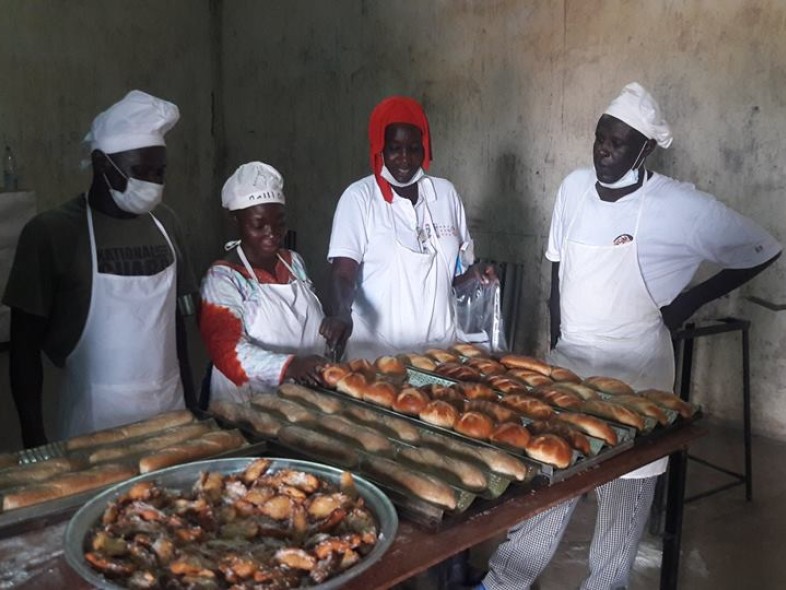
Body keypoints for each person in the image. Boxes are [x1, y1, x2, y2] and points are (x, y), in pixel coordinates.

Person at [481, 82, 781, 590]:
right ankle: (503, 583)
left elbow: (761, 247)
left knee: (623, 501)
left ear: (644, 149)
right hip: (570, 371)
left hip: (638, 379)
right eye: (600, 137)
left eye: (617, 142)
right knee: (548, 490)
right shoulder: (573, 187)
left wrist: (687, 303)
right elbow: (556, 266)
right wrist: (559, 341)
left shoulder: (674, 204)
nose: (603, 149)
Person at [3, 90, 198, 447]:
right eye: (141, 171)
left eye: (160, 172)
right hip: (95, 417)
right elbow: (23, 347)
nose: (153, 183)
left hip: (170, 409)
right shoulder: (53, 233)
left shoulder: (167, 224)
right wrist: (33, 434)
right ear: (101, 163)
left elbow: (175, 326)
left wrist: (192, 404)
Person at [320, 95, 495, 361]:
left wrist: (475, 273)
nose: (405, 159)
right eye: (394, 148)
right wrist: (341, 313)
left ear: (425, 147)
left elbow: (452, 275)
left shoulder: (445, 195)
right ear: (380, 147)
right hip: (378, 359)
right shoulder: (359, 199)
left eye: (414, 148)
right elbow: (343, 273)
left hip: (440, 356)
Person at [198, 161, 326, 404]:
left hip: (304, 401)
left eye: (279, 223)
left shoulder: (294, 262)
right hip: (247, 407)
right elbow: (226, 351)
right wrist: (290, 367)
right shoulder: (222, 279)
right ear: (235, 221)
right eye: (259, 225)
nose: (272, 233)